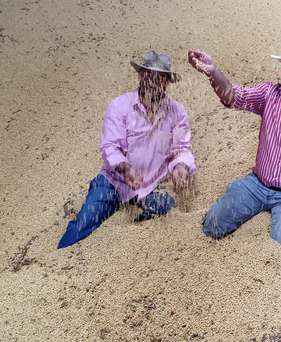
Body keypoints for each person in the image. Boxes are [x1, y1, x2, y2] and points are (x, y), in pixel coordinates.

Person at [188, 37, 281, 248]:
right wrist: (214, 71)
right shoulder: (269, 93)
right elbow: (233, 96)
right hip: (257, 184)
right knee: (212, 225)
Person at [58, 50, 196, 248]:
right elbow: (110, 148)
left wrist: (181, 167)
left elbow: (182, 148)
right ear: (141, 75)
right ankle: (56, 260)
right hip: (114, 182)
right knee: (84, 224)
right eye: (149, 75)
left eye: (161, 78)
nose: (154, 82)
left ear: (167, 81)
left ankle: (135, 216)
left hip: (149, 185)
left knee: (168, 208)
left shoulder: (177, 112)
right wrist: (125, 168)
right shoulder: (119, 106)